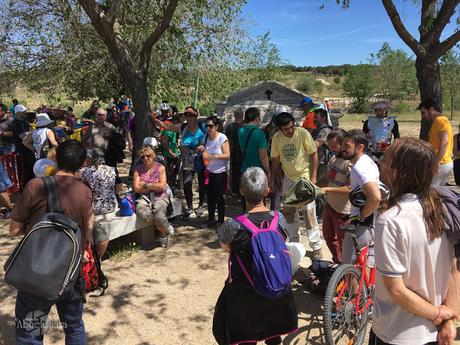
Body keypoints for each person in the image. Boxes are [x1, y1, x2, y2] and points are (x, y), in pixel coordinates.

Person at [371, 138, 458, 345]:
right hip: (433, 331)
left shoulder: (390, 221)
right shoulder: (442, 208)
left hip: (396, 332)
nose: (381, 163)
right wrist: (448, 319)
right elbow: (454, 269)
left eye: (386, 159)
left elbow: (397, 290)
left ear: (399, 171)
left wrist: (438, 313)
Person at [9, 139, 93, 344]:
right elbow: (88, 233)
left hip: (37, 273)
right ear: (82, 164)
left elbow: (14, 230)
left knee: (30, 332)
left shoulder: (35, 185)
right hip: (71, 274)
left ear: (54, 160)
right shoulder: (85, 192)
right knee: (73, 326)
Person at [213, 167, 298, 345]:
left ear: (242, 190)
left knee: (246, 338)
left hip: (244, 295)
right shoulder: (279, 219)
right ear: (267, 191)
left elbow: (225, 247)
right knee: (274, 334)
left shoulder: (233, 225)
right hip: (275, 291)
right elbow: (285, 240)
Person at [269, 112, 323, 260]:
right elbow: (275, 160)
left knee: (309, 212)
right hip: (288, 179)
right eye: (286, 129)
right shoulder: (277, 139)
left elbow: (313, 154)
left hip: (304, 178)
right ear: (279, 129)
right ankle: (294, 242)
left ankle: (316, 246)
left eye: (292, 126)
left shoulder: (303, 133)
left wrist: (313, 176)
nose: (290, 130)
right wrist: (272, 180)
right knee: (289, 213)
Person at [340, 129, 381, 264]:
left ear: (360, 147)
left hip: (364, 225)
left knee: (350, 266)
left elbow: (375, 198)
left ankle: (353, 286)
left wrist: (359, 218)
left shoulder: (360, 168)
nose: (342, 149)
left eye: (347, 146)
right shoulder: (365, 161)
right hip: (369, 222)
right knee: (363, 265)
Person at [320, 129, 352, 264]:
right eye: (329, 146)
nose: (331, 149)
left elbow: (351, 188)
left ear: (343, 145)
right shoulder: (333, 160)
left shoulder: (349, 164)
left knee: (343, 242)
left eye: (334, 146)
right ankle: (337, 262)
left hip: (343, 211)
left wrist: (327, 189)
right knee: (328, 237)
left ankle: (345, 270)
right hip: (330, 205)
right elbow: (328, 178)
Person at [80, 148, 118, 258]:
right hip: (110, 205)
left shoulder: (84, 172)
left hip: (94, 208)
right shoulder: (111, 169)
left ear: (91, 159)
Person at [132, 144, 171, 248]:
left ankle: (163, 234)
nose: (145, 158)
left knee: (159, 214)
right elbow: (136, 188)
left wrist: (145, 184)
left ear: (152, 155)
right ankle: (165, 225)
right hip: (144, 197)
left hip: (160, 196)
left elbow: (162, 187)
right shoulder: (138, 169)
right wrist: (154, 186)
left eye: (148, 155)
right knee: (144, 215)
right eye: (142, 156)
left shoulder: (160, 167)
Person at [198, 115, 230, 227]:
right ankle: (211, 219)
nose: (208, 128)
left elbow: (227, 155)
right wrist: (201, 148)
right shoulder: (205, 137)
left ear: (216, 126)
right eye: (206, 126)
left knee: (219, 197)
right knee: (210, 197)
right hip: (209, 172)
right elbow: (202, 146)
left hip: (220, 172)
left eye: (210, 126)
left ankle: (221, 221)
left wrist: (213, 156)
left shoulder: (222, 138)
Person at [178, 106, 206, 219]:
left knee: (201, 183)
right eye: (186, 115)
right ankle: (190, 207)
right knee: (186, 183)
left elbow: (208, 141)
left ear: (196, 116)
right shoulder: (183, 127)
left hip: (199, 159)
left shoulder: (202, 128)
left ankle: (200, 205)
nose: (188, 118)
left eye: (191, 115)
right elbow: (167, 127)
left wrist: (201, 147)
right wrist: (155, 120)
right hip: (187, 160)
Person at [418, 100, 454, 186]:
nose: (423, 116)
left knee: (431, 192)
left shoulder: (440, 121)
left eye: (423, 113)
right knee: (437, 193)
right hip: (444, 163)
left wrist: (436, 162)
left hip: (441, 163)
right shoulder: (440, 121)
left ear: (431, 109)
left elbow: (444, 141)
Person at [11, 104, 35, 184]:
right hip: (21, 151)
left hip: (29, 149)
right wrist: (30, 133)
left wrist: (30, 133)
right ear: (18, 113)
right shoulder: (15, 123)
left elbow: (30, 133)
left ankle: (31, 186)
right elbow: (22, 136)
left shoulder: (25, 121)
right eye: (23, 111)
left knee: (31, 170)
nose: (25, 112)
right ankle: (23, 189)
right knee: (23, 171)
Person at [225, 107, 244, 195]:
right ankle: (240, 189)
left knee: (235, 172)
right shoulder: (244, 126)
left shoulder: (230, 126)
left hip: (233, 151)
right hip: (241, 152)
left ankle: (236, 190)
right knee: (241, 172)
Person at [312, 108, 333, 187]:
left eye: (316, 117)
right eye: (314, 117)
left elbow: (316, 145)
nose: (314, 119)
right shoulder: (317, 130)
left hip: (323, 163)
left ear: (323, 118)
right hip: (317, 162)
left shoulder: (325, 130)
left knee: (320, 186)